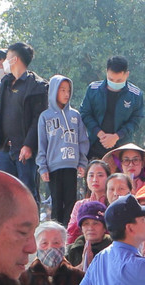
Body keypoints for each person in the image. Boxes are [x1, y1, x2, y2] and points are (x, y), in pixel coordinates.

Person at [0, 42, 49, 196]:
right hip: (4, 149)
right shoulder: (4, 84)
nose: (4, 62)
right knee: (6, 194)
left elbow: (38, 119)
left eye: (7, 57)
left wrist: (29, 145)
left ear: (14, 59)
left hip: (24, 152)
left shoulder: (37, 86)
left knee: (26, 193)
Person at [37, 74, 88, 227]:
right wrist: (42, 167)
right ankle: (57, 233)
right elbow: (42, 143)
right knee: (56, 202)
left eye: (68, 90)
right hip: (53, 167)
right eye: (62, 90)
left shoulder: (75, 115)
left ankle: (70, 234)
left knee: (71, 202)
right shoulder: (45, 117)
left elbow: (82, 140)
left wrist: (82, 162)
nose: (66, 94)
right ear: (54, 91)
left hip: (72, 166)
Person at [81, 56, 145, 161]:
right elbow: (85, 114)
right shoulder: (93, 89)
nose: (115, 83)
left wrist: (116, 136)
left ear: (127, 74)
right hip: (94, 146)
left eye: (119, 80)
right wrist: (100, 134)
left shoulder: (136, 95)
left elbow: (136, 121)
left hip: (121, 149)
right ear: (106, 72)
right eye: (111, 79)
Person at [68, 161, 110, 241]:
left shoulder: (113, 204)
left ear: (108, 178)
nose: (95, 179)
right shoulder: (80, 205)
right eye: (91, 175)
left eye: (100, 175)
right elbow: (70, 233)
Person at [67, 200, 111, 269]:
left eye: (95, 223)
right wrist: (82, 266)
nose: (90, 228)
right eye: (86, 224)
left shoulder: (113, 250)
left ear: (105, 227)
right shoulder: (71, 251)